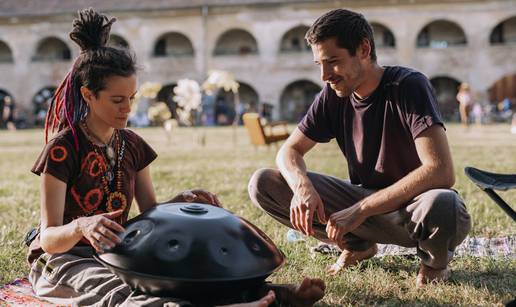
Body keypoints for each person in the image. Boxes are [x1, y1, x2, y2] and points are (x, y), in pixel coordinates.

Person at [27, 8, 325, 306]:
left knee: (179, 276)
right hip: (64, 261)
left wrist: (180, 202)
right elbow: (50, 237)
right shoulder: (63, 149)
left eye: (131, 98)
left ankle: (268, 294)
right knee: (120, 294)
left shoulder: (131, 145)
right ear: (88, 95)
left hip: (116, 254)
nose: (127, 109)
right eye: (117, 100)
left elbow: (150, 214)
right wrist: (82, 226)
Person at [248, 9, 471, 288]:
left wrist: (361, 209)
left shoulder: (409, 86)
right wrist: (302, 186)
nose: (324, 75)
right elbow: (288, 152)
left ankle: (434, 263)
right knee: (264, 183)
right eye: (319, 63)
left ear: (364, 49)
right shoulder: (332, 95)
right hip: (360, 206)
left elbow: (440, 172)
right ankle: (356, 244)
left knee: (445, 204)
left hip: (412, 209)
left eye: (333, 61)